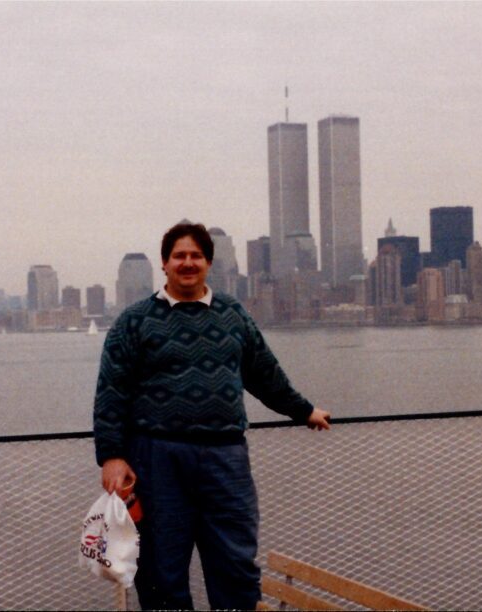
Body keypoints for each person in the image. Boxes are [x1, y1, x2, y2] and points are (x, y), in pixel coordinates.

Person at [93, 222, 330, 610]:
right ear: (164, 264)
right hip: (157, 461)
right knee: (161, 571)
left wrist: (303, 410)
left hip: (226, 460)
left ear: (209, 263)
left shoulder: (232, 314)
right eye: (179, 256)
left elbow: (264, 373)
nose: (188, 263)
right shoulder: (134, 322)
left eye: (196, 256)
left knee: (235, 566)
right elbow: (111, 393)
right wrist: (112, 455)